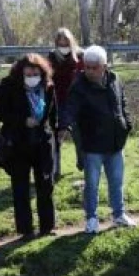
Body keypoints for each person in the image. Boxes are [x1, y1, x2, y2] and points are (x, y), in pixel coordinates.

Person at [58, 45, 136, 235]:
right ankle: (91, 219)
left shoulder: (115, 79)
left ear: (104, 66)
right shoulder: (79, 85)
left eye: (94, 67)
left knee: (116, 181)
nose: (90, 71)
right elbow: (71, 108)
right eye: (87, 67)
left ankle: (119, 214)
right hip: (92, 144)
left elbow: (122, 102)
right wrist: (63, 126)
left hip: (115, 142)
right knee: (92, 184)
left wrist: (127, 122)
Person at [0, 54, 59, 238]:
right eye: (28, 73)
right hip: (18, 142)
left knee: (45, 184)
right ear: (21, 72)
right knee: (20, 187)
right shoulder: (9, 85)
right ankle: (25, 229)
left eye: (35, 73)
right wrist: (23, 121)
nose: (32, 77)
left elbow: (53, 111)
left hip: (42, 142)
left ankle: (47, 226)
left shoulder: (48, 86)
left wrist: (58, 130)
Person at [47, 28, 85, 177]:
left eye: (65, 42)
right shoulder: (51, 57)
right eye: (60, 42)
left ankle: (82, 162)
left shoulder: (80, 56)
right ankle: (55, 169)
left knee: (79, 134)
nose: (63, 45)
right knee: (57, 136)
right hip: (58, 100)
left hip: (76, 101)